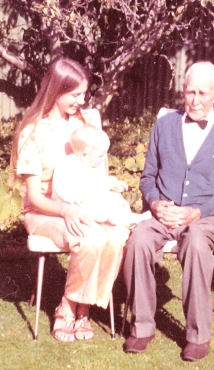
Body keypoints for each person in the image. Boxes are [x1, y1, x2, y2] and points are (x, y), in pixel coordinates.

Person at [123, 61, 214, 361]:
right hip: (162, 213)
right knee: (138, 240)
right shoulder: (164, 125)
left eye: (203, 93)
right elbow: (148, 177)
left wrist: (196, 213)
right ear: (182, 92)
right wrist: (154, 203)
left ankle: (197, 334)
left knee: (195, 245)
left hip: (205, 218)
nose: (196, 100)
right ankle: (142, 326)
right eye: (190, 92)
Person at [10, 58, 129, 342]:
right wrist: (66, 211)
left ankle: (82, 306)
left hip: (83, 205)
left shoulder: (85, 125)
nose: (81, 100)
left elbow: (96, 174)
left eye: (83, 93)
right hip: (46, 211)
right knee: (86, 238)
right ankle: (68, 305)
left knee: (115, 237)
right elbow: (35, 197)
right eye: (75, 94)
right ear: (56, 91)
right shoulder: (33, 132)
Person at [52, 124, 151, 252]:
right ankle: (115, 218)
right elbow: (60, 186)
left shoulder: (91, 164)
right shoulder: (67, 165)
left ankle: (128, 217)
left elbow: (100, 181)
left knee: (109, 200)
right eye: (100, 156)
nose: (104, 158)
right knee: (95, 208)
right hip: (71, 203)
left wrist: (113, 184)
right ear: (84, 154)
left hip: (89, 200)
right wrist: (73, 197)